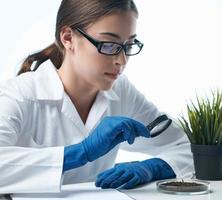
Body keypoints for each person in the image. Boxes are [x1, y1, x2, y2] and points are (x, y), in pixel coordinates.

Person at [0, 0, 193, 193]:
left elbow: (188, 148)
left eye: (128, 45)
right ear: (68, 38)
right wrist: (80, 153)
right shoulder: (21, 95)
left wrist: (152, 168)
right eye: (109, 45)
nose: (121, 60)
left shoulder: (121, 91)